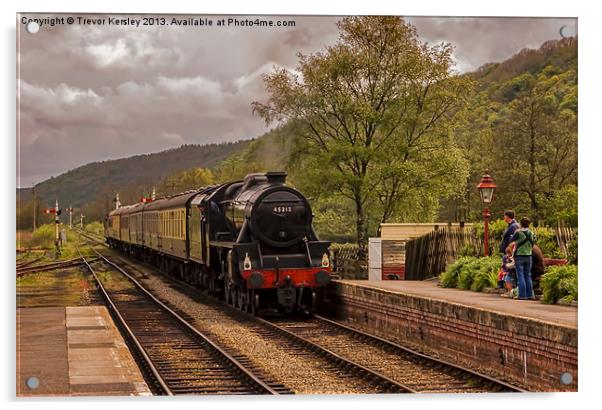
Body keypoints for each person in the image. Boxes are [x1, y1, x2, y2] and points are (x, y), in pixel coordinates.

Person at [509, 217, 536, 300]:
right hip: (529, 256)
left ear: (520, 224)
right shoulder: (531, 233)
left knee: (520, 275)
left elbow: (511, 240)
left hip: (519, 256)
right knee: (528, 275)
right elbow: (533, 242)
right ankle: (530, 295)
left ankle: (522, 295)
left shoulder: (518, 233)